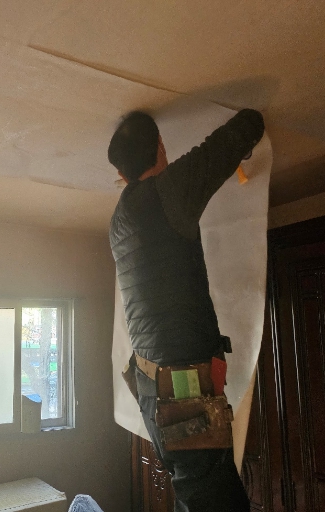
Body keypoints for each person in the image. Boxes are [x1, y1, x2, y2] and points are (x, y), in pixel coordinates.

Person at [108, 108, 265, 512]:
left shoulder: (118, 220)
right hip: (181, 391)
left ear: (121, 174)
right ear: (160, 146)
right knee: (213, 501)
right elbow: (244, 126)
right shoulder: (168, 191)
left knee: (201, 495)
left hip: (151, 387)